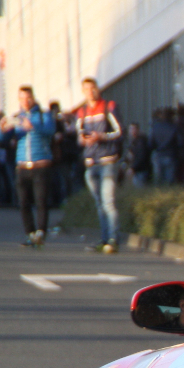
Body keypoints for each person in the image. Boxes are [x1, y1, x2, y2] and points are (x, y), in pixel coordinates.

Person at [77, 78, 124, 252]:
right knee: (99, 203)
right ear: (83, 92)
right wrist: (82, 139)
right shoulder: (81, 112)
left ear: (98, 89)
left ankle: (113, 239)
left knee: (108, 201)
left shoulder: (109, 106)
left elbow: (119, 131)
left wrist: (101, 136)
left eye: (93, 88)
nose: (90, 91)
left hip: (107, 161)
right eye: (87, 89)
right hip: (91, 163)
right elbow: (79, 133)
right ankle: (104, 239)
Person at [5, 86, 55, 247]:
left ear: (33, 98)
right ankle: (30, 233)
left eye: (28, 98)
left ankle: (41, 232)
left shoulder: (43, 115)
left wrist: (32, 125)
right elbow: (4, 139)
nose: (25, 102)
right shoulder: (16, 117)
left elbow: (50, 130)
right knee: (23, 202)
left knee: (41, 200)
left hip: (40, 164)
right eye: (22, 98)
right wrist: (2, 129)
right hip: (22, 166)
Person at [150, 108, 181, 185]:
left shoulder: (155, 127)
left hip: (158, 154)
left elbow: (150, 143)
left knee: (158, 181)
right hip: (171, 155)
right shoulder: (174, 127)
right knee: (169, 182)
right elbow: (181, 142)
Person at [125, 122, 152, 186]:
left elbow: (141, 156)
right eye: (131, 129)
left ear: (138, 130)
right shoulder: (133, 142)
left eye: (134, 129)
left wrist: (133, 168)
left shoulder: (140, 142)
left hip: (142, 170)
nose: (132, 131)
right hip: (138, 170)